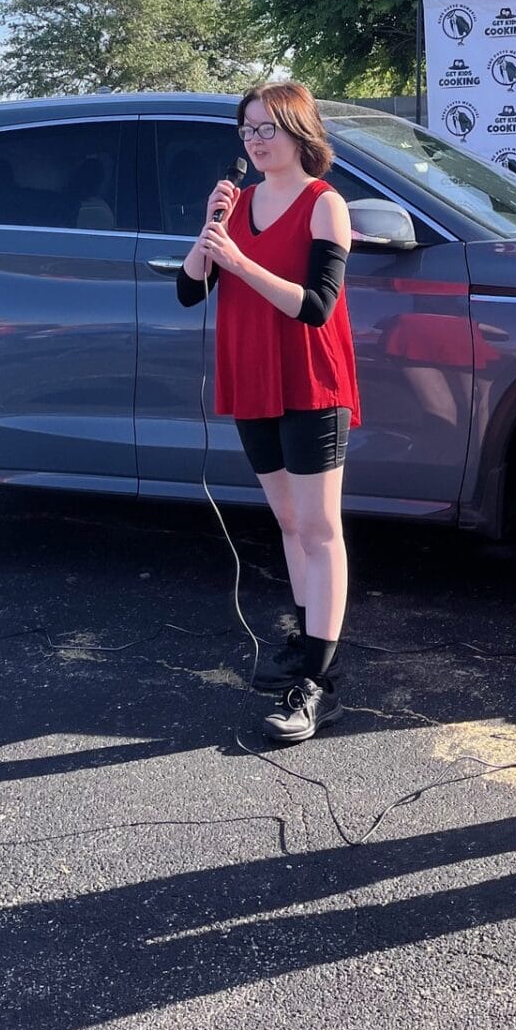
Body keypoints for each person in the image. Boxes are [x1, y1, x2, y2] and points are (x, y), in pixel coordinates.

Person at [176, 82, 360, 745]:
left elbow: (316, 306)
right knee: (287, 521)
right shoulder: (240, 204)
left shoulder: (325, 205)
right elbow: (188, 290)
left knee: (319, 528)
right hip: (251, 376)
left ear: (299, 130)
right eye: (247, 130)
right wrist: (211, 230)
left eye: (267, 129)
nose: (254, 141)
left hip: (310, 382)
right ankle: (306, 640)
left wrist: (241, 262)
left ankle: (319, 684)